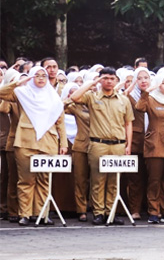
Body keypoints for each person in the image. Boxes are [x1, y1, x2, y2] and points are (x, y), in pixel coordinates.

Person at [0, 66, 67, 226]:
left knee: (44, 180)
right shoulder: (22, 94)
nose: (41, 78)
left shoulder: (53, 98)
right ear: (31, 77)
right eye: (36, 75)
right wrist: (19, 82)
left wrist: (63, 143)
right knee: (26, 180)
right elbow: (1, 92)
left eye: (43, 75)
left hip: (48, 142)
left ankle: (42, 213)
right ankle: (25, 214)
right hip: (25, 142)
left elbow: (60, 122)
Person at [71, 67, 134, 225]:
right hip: (98, 143)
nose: (109, 81)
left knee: (114, 180)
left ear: (116, 81)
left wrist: (128, 145)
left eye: (112, 79)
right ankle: (98, 212)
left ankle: (110, 211)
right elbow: (75, 97)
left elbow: (128, 124)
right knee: (98, 180)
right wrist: (94, 82)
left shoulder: (123, 99)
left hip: (118, 144)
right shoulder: (92, 97)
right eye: (105, 78)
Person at [135, 71, 164, 223]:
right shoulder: (151, 99)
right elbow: (139, 108)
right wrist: (146, 93)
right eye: (163, 83)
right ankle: (153, 211)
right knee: (154, 179)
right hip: (154, 144)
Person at [123, 67, 150, 220]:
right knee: (135, 178)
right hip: (136, 142)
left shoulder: (154, 96)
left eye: (146, 78)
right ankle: (135, 209)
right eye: (139, 78)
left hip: (152, 141)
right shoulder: (129, 97)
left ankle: (150, 207)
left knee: (151, 177)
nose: (143, 81)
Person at [62, 81, 91, 222]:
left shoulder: (95, 103)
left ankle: (99, 210)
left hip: (98, 145)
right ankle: (81, 209)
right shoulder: (75, 107)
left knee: (99, 180)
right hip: (81, 145)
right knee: (80, 179)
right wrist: (71, 97)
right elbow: (61, 107)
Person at [0, 68, 20, 222]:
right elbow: (4, 109)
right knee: (7, 178)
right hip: (8, 141)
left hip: (21, 142)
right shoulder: (7, 98)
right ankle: (6, 208)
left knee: (19, 178)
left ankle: (18, 208)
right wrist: (12, 86)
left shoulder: (24, 99)